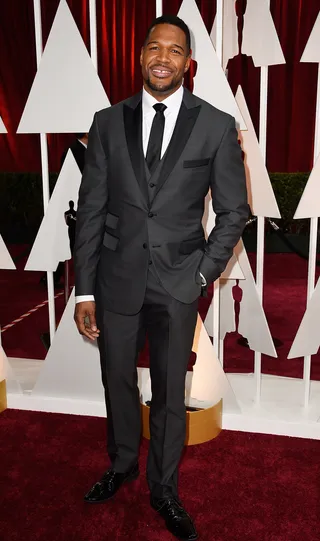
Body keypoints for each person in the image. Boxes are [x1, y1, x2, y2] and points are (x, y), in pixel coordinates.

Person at [74, 15, 248, 541]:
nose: (163, 58)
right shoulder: (107, 122)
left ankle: (164, 488)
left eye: (174, 50)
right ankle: (123, 461)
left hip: (178, 284)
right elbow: (91, 210)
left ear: (187, 63)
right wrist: (84, 288)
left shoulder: (216, 125)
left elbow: (234, 212)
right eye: (154, 47)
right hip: (116, 280)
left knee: (171, 392)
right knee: (117, 381)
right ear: (141, 55)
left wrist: (202, 274)